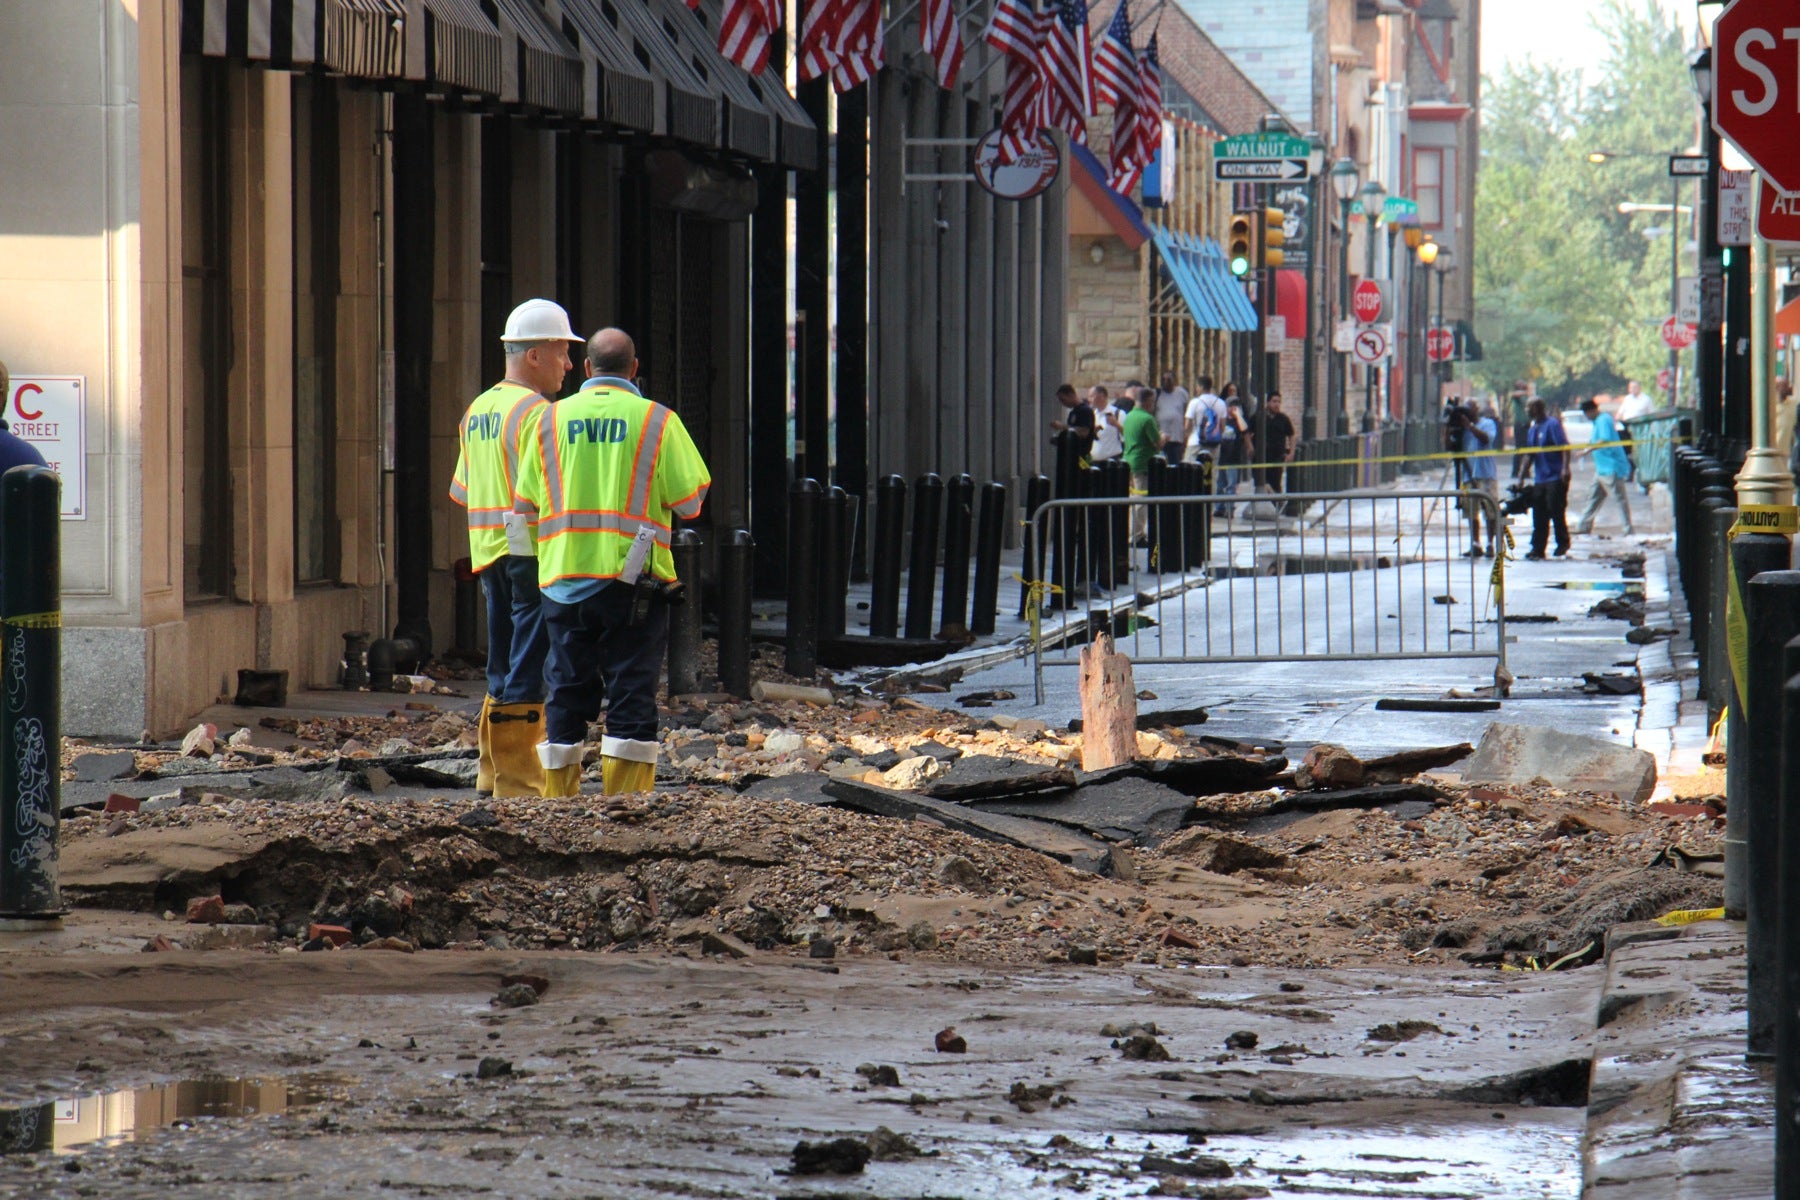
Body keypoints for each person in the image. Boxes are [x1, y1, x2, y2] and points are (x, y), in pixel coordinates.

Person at [512, 327, 712, 798]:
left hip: (561, 580)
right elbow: (692, 502)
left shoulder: (546, 421)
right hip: (632, 584)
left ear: (586, 368)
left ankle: (559, 801)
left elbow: (525, 504)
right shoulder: (657, 421)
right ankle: (625, 805)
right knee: (631, 690)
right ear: (634, 369)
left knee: (564, 688)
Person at [448, 298, 584, 798]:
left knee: (502, 658)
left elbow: (462, 490)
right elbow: (551, 488)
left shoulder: (477, 409)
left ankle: (492, 770)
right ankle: (520, 782)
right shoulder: (537, 414)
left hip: (488, 550)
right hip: (528, 551)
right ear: (533, 356)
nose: (569, 365)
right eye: (562, 352)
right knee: (528, 661)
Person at [1574, 397, 1635, 537]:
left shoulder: (1603, 420)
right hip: (1602, 468)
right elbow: (1595, 439)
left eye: (1586, 414)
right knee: (1594, 498)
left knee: (1620, 499)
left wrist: (1587, 451)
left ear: (1592, 411)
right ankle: (1583, 525)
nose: (1586, 417)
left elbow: (1604, 439)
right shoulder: (1597, 422)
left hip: (1610, 467)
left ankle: (1628, 529)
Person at [1524, 397, 1571, 560]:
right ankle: (1537, 548)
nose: (1527, 410)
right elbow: (1529, 455)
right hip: (1540, 478)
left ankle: (1562, 543)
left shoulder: (1552, 425)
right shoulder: (1532, 429)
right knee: (1539, 514)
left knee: (1556, 510)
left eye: (1529, 407)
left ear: (1537, 408)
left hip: (1555, 476)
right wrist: (1521, 476)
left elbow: (1564, 447)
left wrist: (1565, 468)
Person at [1455, 400, 1500, 558]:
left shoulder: (1487, 423)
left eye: (1469, 410)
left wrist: (1470, 426)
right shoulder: (1461, 428)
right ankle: (1475, 543)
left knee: (1490, 510)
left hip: (1485, 473)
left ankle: (1490, 543)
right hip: (1468, 474)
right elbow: (1450, 445)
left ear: (1476, 410)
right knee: (1470, 511)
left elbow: (1486, 439)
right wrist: (1448, 428)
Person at [1121, 385, 1163, 544]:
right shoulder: (1147, 419)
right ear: (1147, 402)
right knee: (1140, 500)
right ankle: (1136, 535)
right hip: (1143, 462)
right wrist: (1164, 437)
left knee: (1133, 498)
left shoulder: (1130, 416)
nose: (1153, 406)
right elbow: (1157, 443)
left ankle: (1134, 532)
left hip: (1129, 459)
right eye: (1152, 402)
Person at [1215, 385, 1252, 518]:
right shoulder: (1223, 420)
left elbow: (1245, 430)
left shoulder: (1238, 421)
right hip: (1222, 457)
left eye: (1236, 405)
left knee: (1231, 485)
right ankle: (1219, 508)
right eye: (1231, 405)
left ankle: (1229, 508)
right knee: (1220, 484)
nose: (1233, 408)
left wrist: (1238, 416)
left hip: (1234, 457)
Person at [1257, 392, 1295, 496]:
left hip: (1278, 457)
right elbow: (1248, 432)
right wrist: (1250, 448)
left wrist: (1291, 453)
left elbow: (1291, 435)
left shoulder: (1283, 419)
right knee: (1262, 483)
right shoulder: (1259, 417)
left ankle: (1276, 503)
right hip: (1262, 457)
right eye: (1274, 401)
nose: (1277, 404)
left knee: (1276, 483)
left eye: (1279, 402)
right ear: (1268, 402)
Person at [1182, 376, 1226, 464]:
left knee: (1191, 471)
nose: (1196, 389)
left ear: (1201, 387)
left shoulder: (1194, 402)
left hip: (1195, 442)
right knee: (1210, 473)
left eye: (1197, 386)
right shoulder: (1221, 403)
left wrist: (1186, 438)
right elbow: (1222, 427)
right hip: (1213, 444)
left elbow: (1187, 426)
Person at [1050, 383, 1096, 466]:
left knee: (1085, 476)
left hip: (1084, 455)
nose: (1063, 403)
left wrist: (1063, 426)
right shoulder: (1073, 412)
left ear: (1071, 395)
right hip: (1072, 455)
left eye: (1063, 400)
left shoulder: (1085, 410)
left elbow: (1084, 432)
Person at [1153, 372, 1190, 465]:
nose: (1166, 382)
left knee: (1175, 465)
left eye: (1168, 380)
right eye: (1163, 380)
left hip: (1176, 438)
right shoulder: (1157, 394)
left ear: (1174, 381)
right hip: (1161, 437)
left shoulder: (1182, 393)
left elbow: (1187, 413)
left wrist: (1186, 433)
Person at [1089, 386, 1123, 464]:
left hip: (1111, 461)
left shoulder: (1117, 413)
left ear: (1102, 397)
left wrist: (1116, 424)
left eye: (1091, 396)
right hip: (1092, 460)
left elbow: (1128, 434)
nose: (1089, 400)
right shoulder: (1092, 414)